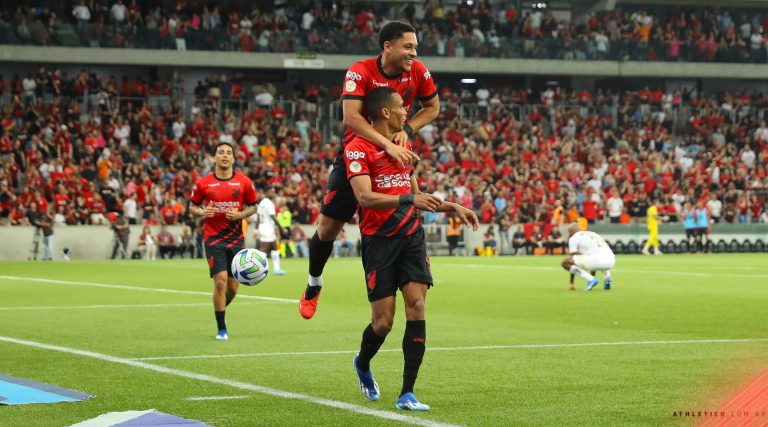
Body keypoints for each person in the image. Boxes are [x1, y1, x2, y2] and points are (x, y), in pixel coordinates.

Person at [344, 87, 478, 411]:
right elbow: (364, 198)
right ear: (386, 113)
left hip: (411, 238)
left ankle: (407, 393)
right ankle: (362, 362)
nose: (407, 112)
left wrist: (451, 206)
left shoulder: (404, 144)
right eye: (402, 107)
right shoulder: (357, 148)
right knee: (383, 323)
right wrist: (409, 199)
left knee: (416, 305)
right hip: (379, 242)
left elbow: (416, 192)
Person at [299, 20, 440, 320]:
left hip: (394, 158)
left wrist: (408, 131)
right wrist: (385, 144)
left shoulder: (417, 71)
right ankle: (314, 282)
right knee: (327, 230)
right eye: (408, 47)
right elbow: (351, 119)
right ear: (387, 47)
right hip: (357, 153)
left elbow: (433, 107)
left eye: (415, 47)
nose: (414, 53)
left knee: (404, 216)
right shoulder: (360, 71)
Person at [189, 141, 258, 341]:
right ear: (215, 157)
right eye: (221, 152)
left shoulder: (244, 182)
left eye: (229, 152)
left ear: (234, 159)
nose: (225, 155)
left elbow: (253, 206)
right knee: (220, 282)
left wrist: (240, 214)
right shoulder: (203, 183)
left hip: (236, 240)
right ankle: (221, 329)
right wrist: (202, 212)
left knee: (233, 287)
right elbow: (191, 207)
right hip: (213, 239)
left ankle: (220, 310)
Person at [561, 223, 615, 291]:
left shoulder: (574, 237)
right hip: (611, 259)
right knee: (595, 258)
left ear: (570, 232)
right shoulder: (592, 234)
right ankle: (607, 279)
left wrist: (571, 282)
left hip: (596, 259)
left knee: (565, 262)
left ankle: (591, 279)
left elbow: (573, 259)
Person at [254, 186, 287, 275]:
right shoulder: (268, 203)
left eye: (273, 191)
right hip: (266, 228)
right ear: (266, 192)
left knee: (274, 247)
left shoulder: (262, 203)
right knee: (264, 249)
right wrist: (281, 227)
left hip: (264, 227)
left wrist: (256, 230)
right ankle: (258, 270)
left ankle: (277, 269)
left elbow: (258, 217)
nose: (273, 193)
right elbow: (273, 217)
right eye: (271, 192)